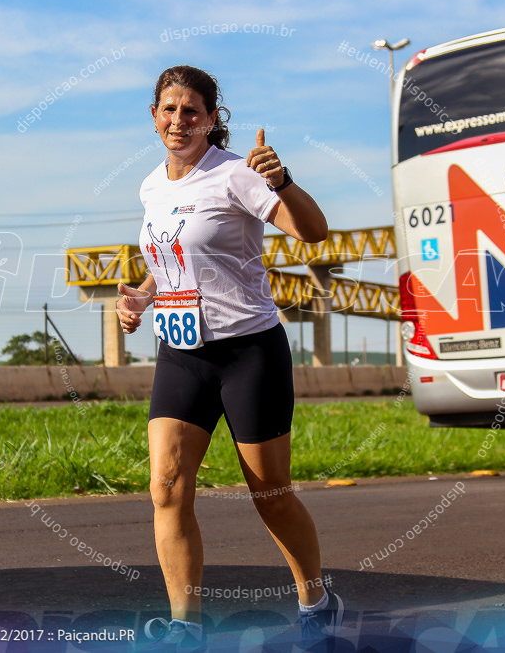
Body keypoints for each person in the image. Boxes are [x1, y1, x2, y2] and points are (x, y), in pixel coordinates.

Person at [116, 65, 342, 651]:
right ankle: (185, 628)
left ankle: (316, 601)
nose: (179, 120)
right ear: (154, 115)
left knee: (269, 494)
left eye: (192, 111)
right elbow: (169, 259)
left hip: (248, 351)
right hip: (181, 350)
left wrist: (283, 180)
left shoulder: (237, 173)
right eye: (169, 109)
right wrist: (144, 294)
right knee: (166, 486)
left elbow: (313, 234)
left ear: (212, 119)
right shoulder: (151, 187)